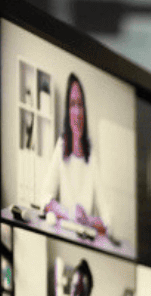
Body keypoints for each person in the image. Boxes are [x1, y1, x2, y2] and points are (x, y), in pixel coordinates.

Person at [38, 73, 109, 242]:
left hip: (86, 240)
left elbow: (107, 217)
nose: (77, 112)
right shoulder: (61, 146)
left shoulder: (92, 154)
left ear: (85, 110)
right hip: (64, 236)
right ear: (67, 111)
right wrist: (68, 213)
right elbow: (44, 198)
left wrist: (88, 220)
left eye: (80, 105)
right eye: (72, 105)